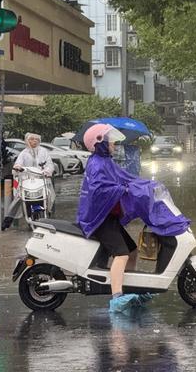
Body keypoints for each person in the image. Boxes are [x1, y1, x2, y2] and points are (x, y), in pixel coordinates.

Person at [77, 124, 151, 313]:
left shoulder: (106, 161)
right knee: (121, 254)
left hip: (109, 217)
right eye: (111, 141)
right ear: (100, 142)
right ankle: (117, 296)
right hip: (99, 219)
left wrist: (145, 185)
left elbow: (123, 177)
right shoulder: (97, 164)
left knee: (132, 251)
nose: (115, 144)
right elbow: (99, 190)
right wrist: (122, 189)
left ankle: (130, 288)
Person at [2, 133, 56, 230]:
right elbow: (17, 164)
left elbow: (50, 164)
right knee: (19, 198)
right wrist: (17, 167)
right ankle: (8, 220)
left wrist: (48, 171)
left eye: (36, 139)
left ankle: (49, 212)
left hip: (41, 180)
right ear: (27, 140)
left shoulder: (44, 152)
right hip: (27, 181)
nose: (34, 141)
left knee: (50, 195)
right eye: (31, 139)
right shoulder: (23, 153)